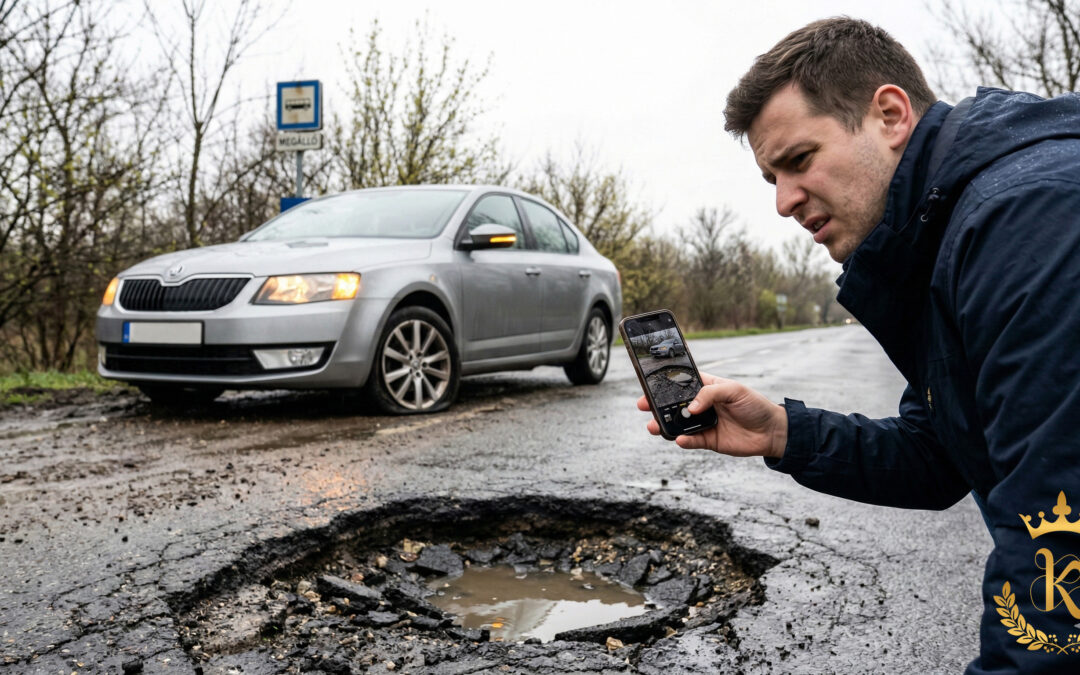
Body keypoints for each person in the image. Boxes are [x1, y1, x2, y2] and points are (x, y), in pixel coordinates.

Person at [637, 17, 1080, 673]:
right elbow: (938, 455)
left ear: (891, 115)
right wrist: (782, 431)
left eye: (799, 160)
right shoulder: (944, 236)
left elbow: (1060, 553)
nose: (785, 202)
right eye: (772, 180)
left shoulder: (1026, 222)